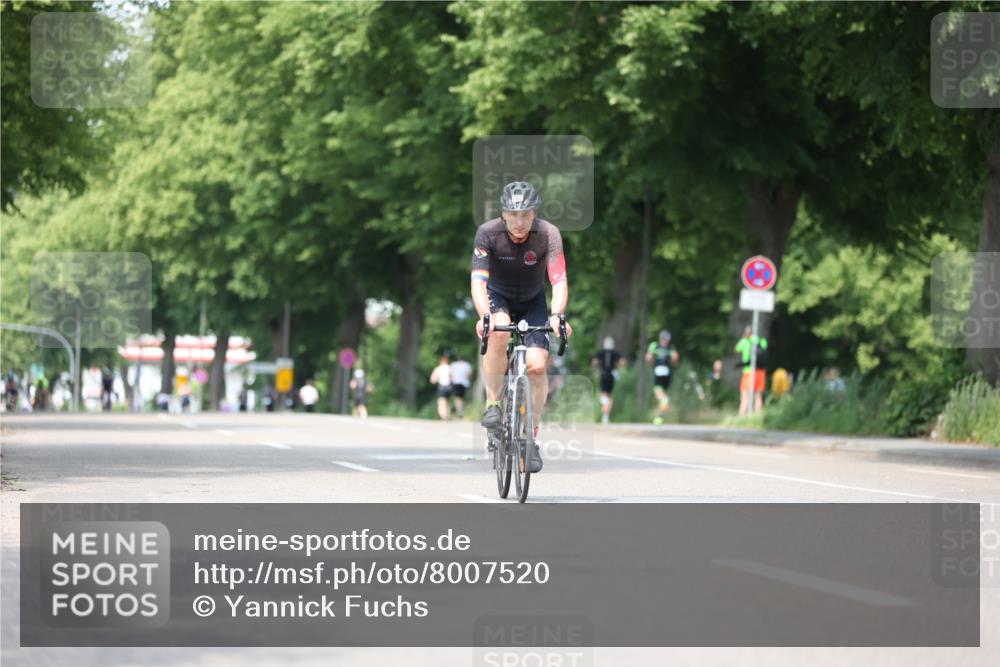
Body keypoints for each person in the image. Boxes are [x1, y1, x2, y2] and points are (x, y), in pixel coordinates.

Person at [472, 181, 573, 473]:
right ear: (503, 214)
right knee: (498, 331)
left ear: (534, 213)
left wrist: (557, 315)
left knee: (538, 366)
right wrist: (484, 315)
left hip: (533, 300)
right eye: (513, 215)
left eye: (526, 215)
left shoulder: (548, 234)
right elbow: (478, 282)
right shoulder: (487, 233)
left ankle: (530, 434)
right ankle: (493, 404)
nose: (519, 222)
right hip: (498, 297)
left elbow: (559, 280)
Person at [645, 330, 679, 424]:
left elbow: (675, 362)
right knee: (663, 397)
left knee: (661, 396)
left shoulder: (666, 347)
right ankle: (660, 416)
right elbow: (649, 359)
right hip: (664, 373)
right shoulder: (659, 346)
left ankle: (660, 414)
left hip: (663, 373)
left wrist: (675, 359)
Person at [735, 325, 768, 415]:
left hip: (748, 371)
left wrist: (743, 338)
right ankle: (757, 416)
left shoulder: (744, 341)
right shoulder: (762, 341)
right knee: (758, 395)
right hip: (761, 371)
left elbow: (737, 349)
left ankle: (742, 416)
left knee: (745, 395)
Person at [593, 336, 624, 424]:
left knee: (603, 394)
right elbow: (622, 362)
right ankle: (606, 416)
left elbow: (595, 362)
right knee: (609, 395)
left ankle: (605, 411)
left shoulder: (600, 353)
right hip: (612, 374)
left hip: (603, 374)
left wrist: (597, 369)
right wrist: (617, 367)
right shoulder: (615, 353)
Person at [429, 354, 453, 420]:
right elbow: (452, 378)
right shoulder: (449, 368)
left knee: (441, 402)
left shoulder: (438, 368)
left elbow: (432, 380)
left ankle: (443, 416)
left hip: (441, 387)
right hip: (449, 387)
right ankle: (448, 415)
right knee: (447, 402)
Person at [449, 353, 473, 419]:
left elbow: (450, 374)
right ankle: (461, 410)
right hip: (464, 383)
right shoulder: (467, 365)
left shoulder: (453, 364)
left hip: (455, 382)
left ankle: (459, 411)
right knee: (462, 397)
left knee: (457, 397)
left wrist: (451, 381)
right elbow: (469, 374)